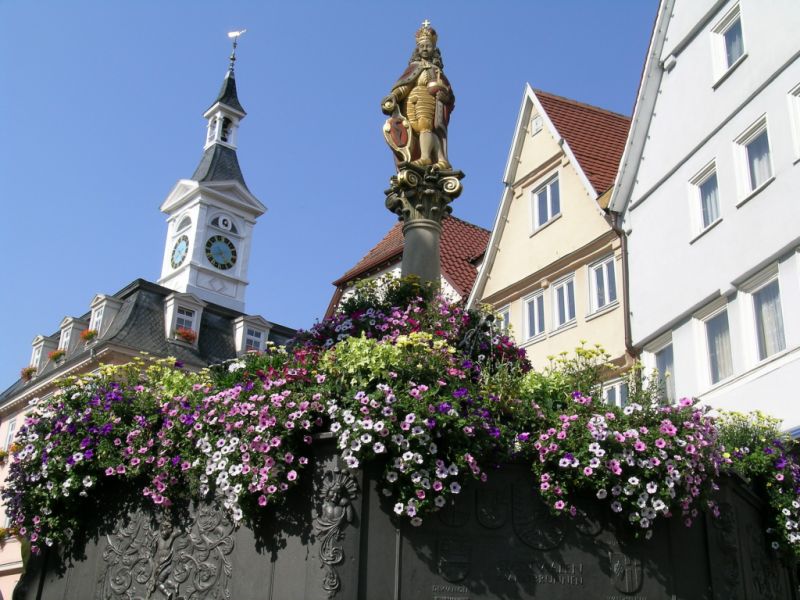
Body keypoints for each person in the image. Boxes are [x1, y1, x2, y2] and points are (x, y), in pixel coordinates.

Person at [382, 21, 454, 169]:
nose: (425, 49)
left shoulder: (436, 70)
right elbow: (405, 85)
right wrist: (394, 96)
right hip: (410, 102)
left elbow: (449, 94)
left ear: (434, 48)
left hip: (427, 99)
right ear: (417, 49)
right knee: (417, 130)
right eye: (422, 46)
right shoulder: (414, 68)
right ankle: (440, 159)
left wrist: (444, 96)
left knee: (425, 126)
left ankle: (426, 157)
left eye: (428, 46)